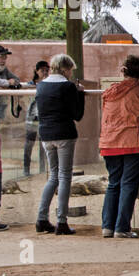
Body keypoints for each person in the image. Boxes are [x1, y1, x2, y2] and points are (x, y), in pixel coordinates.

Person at [99, 55, 139, 238]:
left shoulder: (110, 92)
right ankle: (122, 228)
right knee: (129, 185)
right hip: (135, 143)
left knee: (113, 183)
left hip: (109, 143)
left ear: (123, 71)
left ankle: (107, 226)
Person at [35, 53, 85, 235]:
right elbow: (77, 114)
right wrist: (80, 94)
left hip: (46, 134)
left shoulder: (41, 86)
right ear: (64, 69)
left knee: (53, 176)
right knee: (64, 176)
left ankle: (41, 218)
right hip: (64, 133)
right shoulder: (67, 86)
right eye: (70, 70)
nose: (71, 73)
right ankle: (61, 221)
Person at [22, 59, 50, 175]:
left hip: (44, 117)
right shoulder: (30, 85)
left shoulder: (49, 84)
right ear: (36, 71)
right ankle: (26, 168)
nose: (45, 73)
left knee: (43, 144)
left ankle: (43, 168)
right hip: (31, 119)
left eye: (47, 70)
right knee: (29, 144)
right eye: (42, 70)